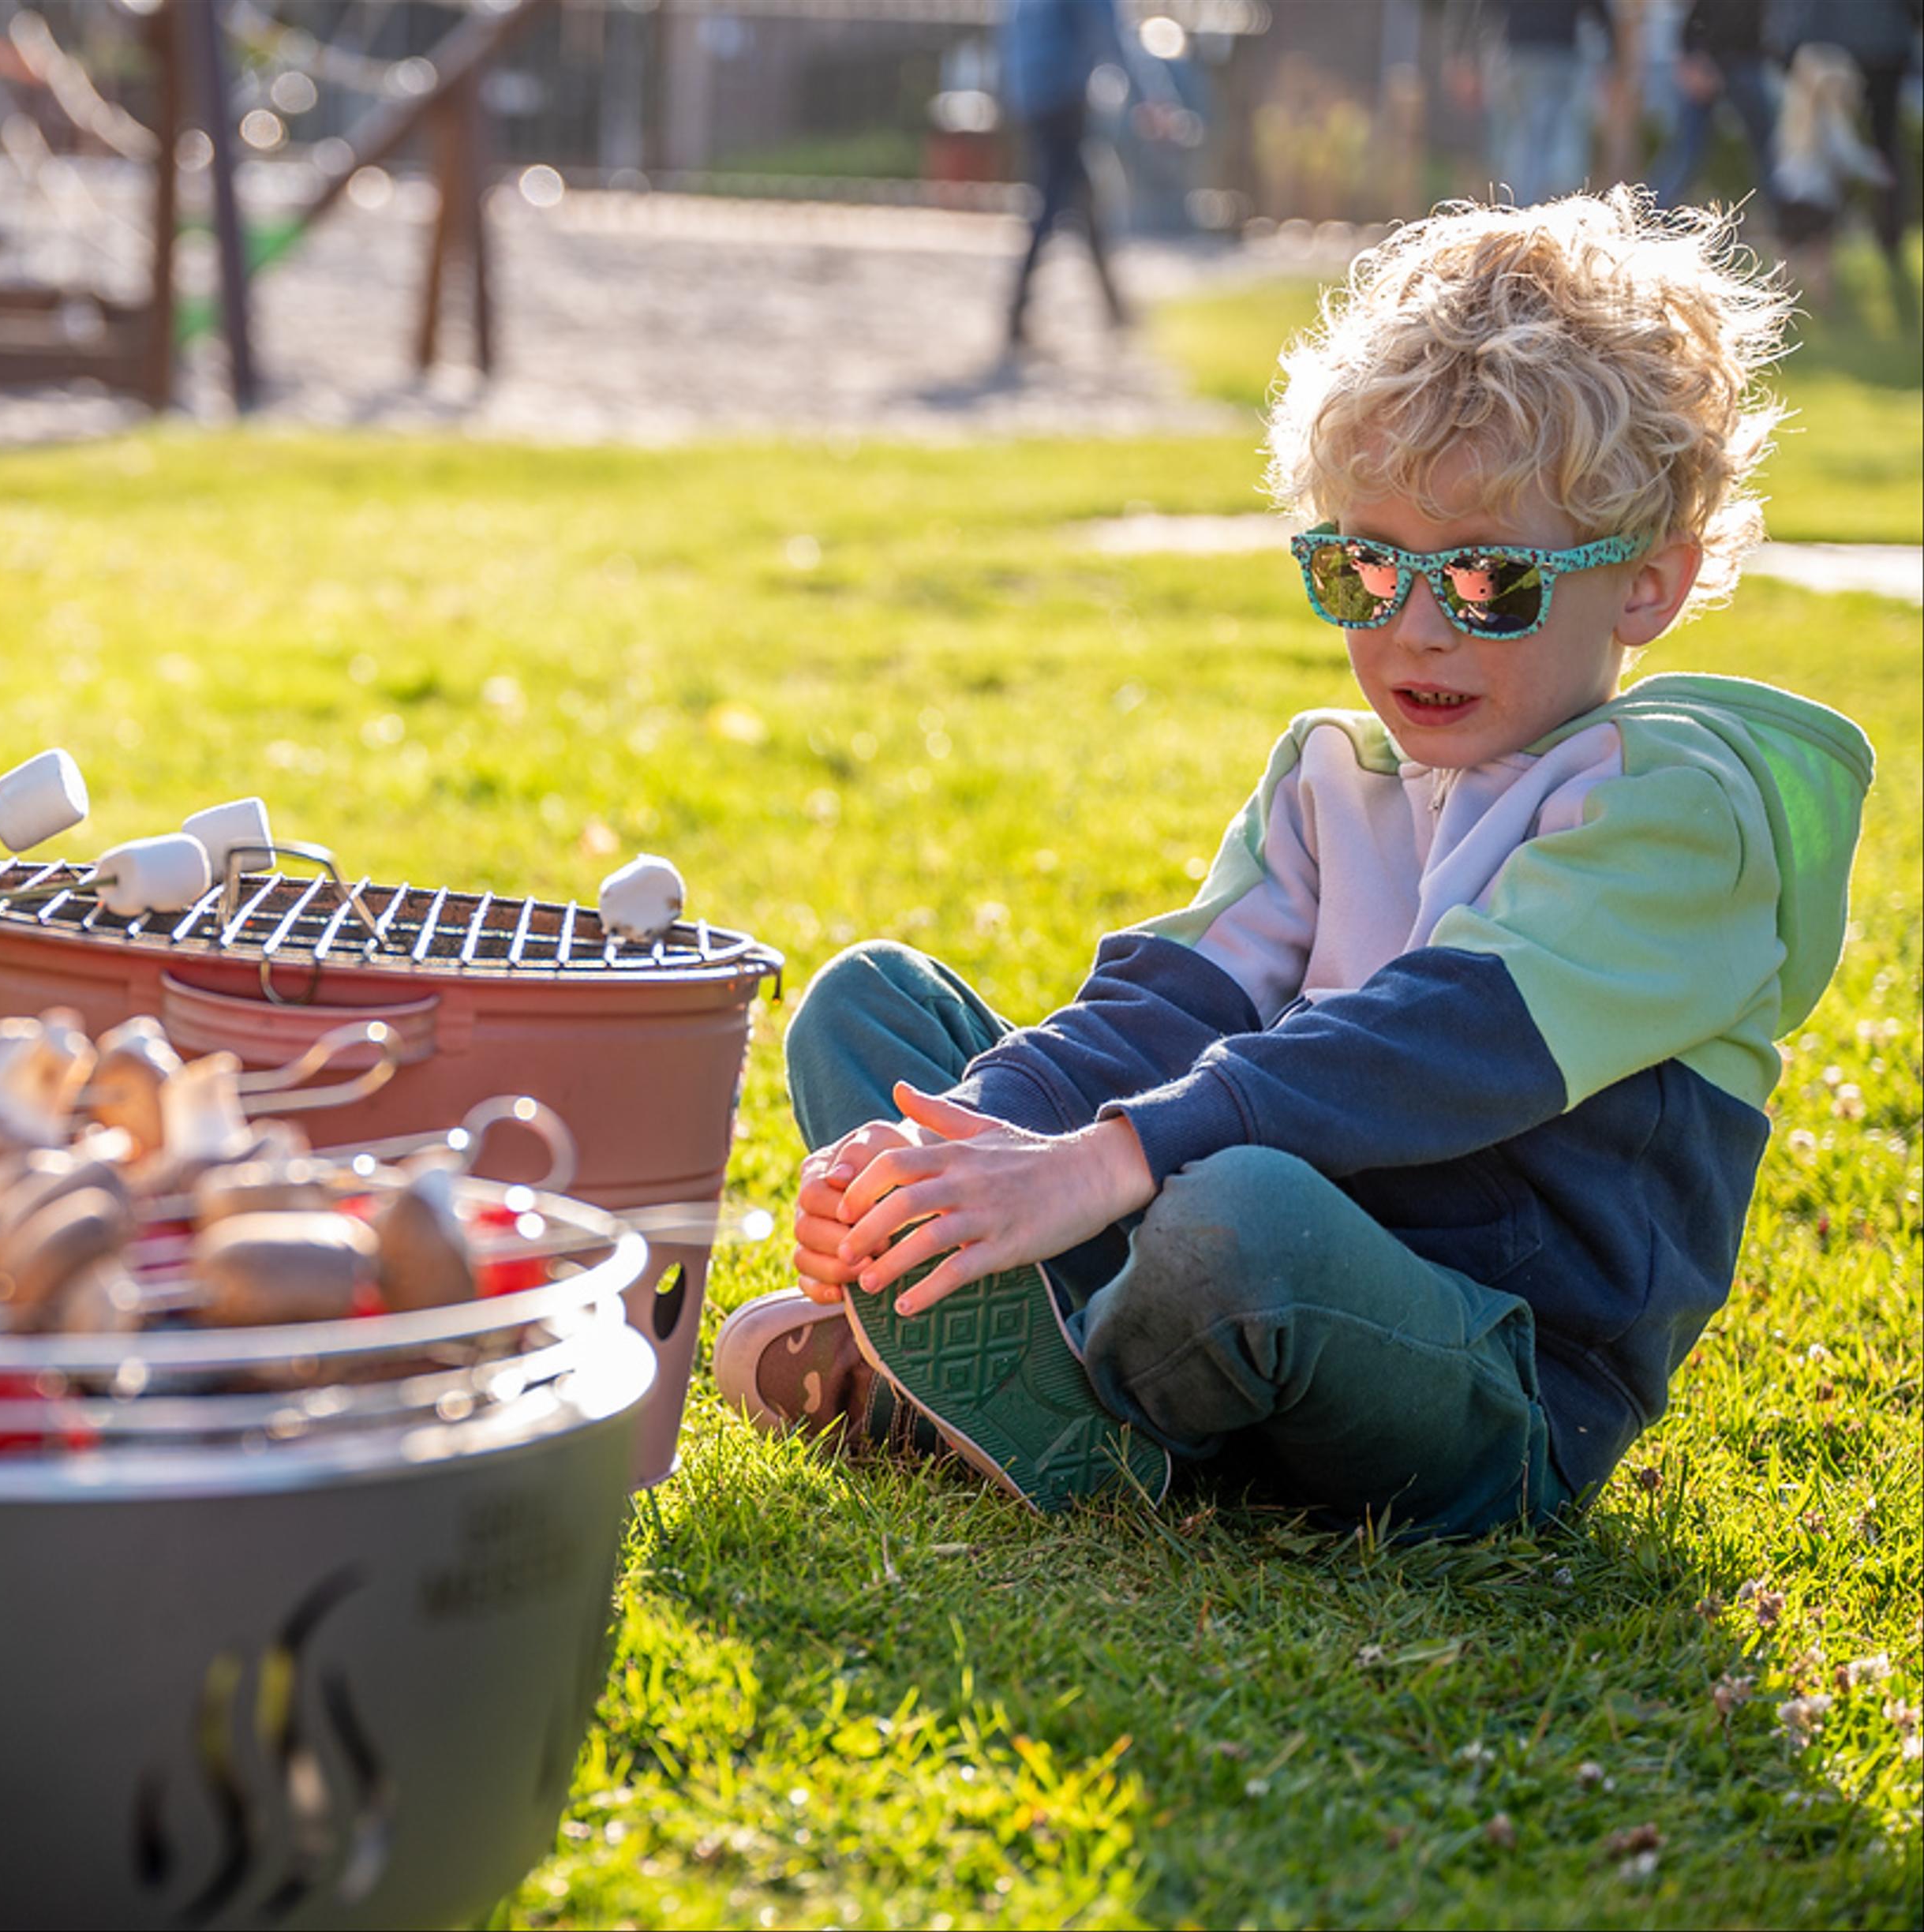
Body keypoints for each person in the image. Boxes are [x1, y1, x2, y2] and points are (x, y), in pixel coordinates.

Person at [712, 189, 1872, 1538]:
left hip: (1481, 1366)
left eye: (1491, 580)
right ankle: (1003, 1355)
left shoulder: (1680, 812)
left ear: (1649, 586)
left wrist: (1098, 1164)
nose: (1417, 629)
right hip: (1223, 1242)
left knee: (1237, 1216)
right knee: (876, 1008)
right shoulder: (1336, 777)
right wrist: (944, 1149)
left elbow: (1429, 1044)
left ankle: (1047, 1406)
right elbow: (1171, 1008)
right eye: (1361, 571)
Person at [998, 0, 1134, 350]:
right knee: (1052, 203)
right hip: (1064, 97)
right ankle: (1017, 311)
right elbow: (1112, 35)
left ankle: (1115, 306)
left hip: (1031, 95)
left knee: (1081, 196)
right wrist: (1150, 98)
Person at [1774, 40, 1900, 299]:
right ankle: (1825, 304)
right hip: (1819, 199)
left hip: (1788, 196)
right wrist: (1882, 172)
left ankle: (1777, 302)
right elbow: (1850, 157)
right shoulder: (1831, 121)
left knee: (1787, 253)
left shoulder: (1792, 117)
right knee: (1819, 255)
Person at [1648, 0, 1780, 211]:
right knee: (1686, 153)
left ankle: (1651, 214)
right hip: (1726, 62)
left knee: (1767, 152)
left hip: (1725, 60)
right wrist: (1705, 62)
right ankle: (1652, 214)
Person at [1482, 0, 1615, 200]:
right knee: (1560, 138)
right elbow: (1599, 11)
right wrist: (1612, 58)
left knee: (1525, 136)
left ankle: (1517, 204)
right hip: (1560, 53)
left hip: (1519, 52)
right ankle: (1549, 206)